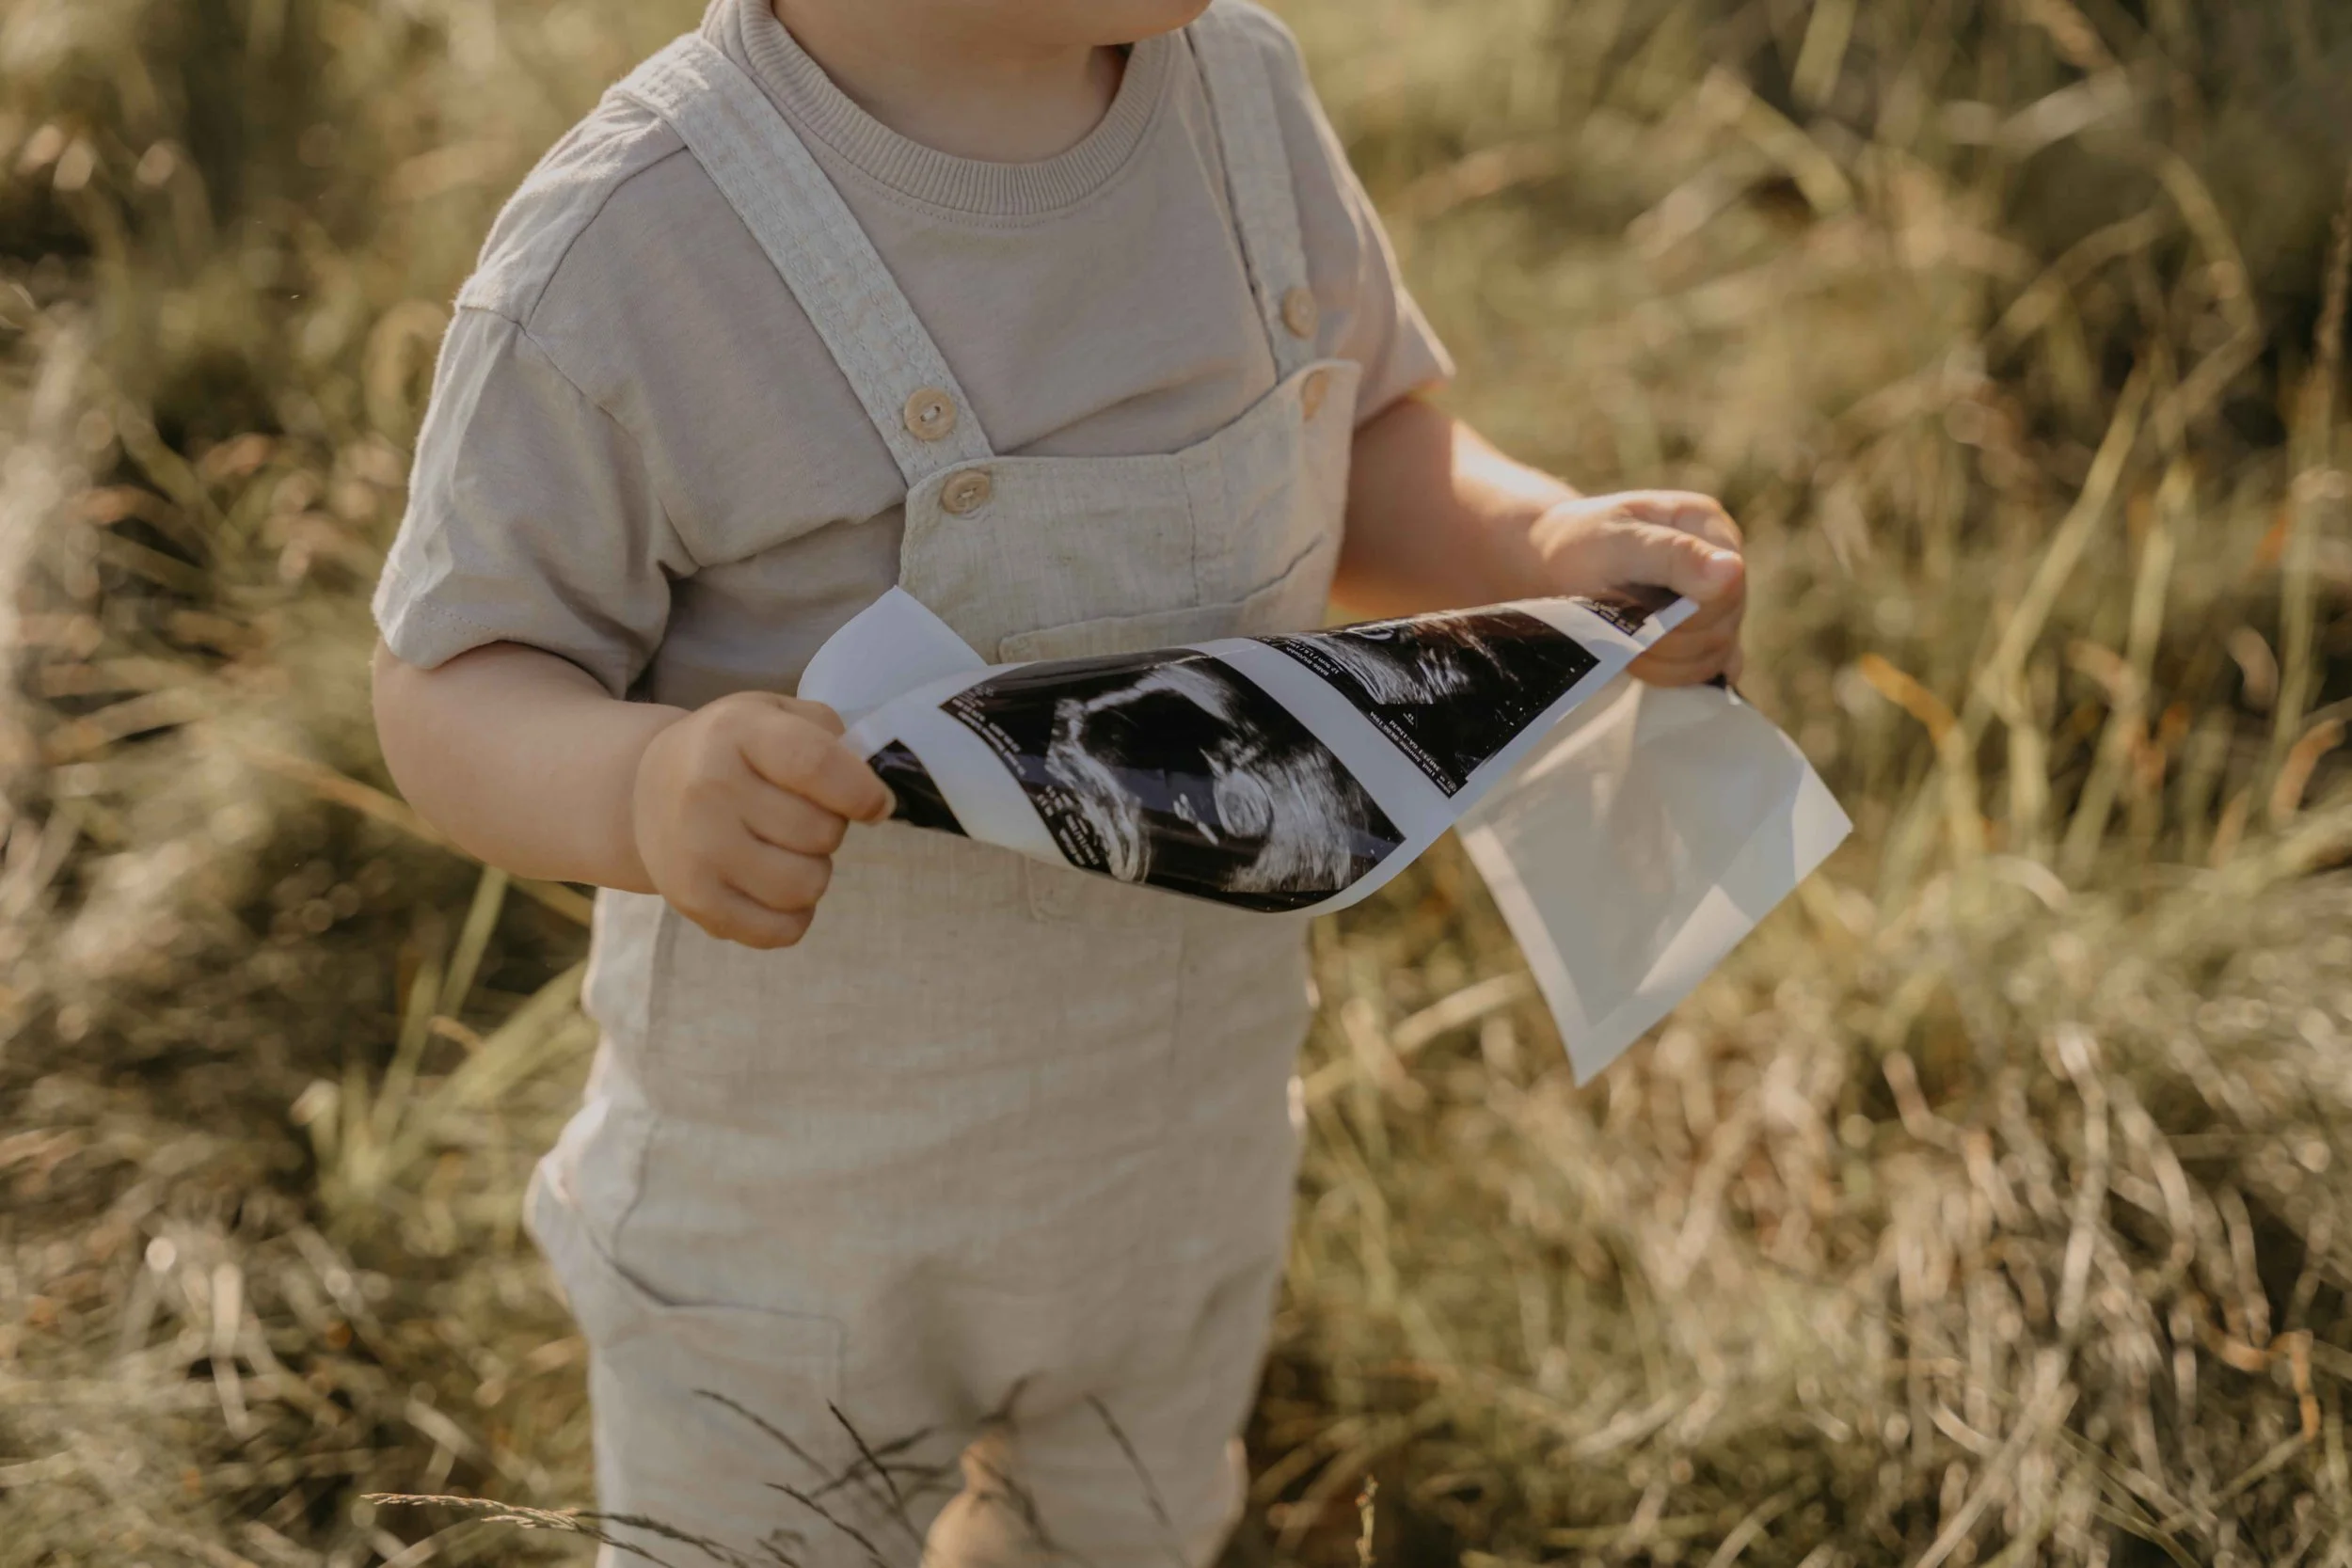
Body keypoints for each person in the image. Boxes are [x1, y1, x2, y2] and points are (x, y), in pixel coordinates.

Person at [368, 0, 1746, 1560]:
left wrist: (1536, 548)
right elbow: (450, 680)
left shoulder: (1237, 99)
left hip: (1173, 1169)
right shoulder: (634, 249)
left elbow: (1358, 430)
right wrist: (637, 787)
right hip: (796, 1237)